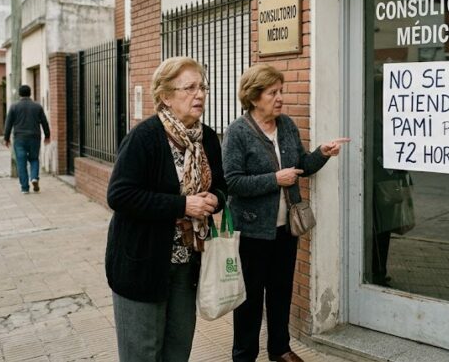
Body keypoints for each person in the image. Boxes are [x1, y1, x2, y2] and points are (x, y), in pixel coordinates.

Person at [223, 64, 349, 362]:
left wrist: (322, 153)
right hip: (252, 231)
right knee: (250, 299)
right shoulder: (237, 132)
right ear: (254, 97)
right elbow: (231, 181)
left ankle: (280, 349)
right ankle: (244, 356)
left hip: (285, 228)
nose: (280, 97)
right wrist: (274, 180)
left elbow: (301, 165)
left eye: (281, 91)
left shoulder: (287, 125)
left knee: (281, 292)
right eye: (273, 92)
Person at [106, 57, 226, 362]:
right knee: (142, 354)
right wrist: (183, 205)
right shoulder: (144, 137)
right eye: (189, 88)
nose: (199, 94)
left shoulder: (207, 138)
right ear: (165, 96)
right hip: (143, 264)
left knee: (177, 350)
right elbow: (120, 195)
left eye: (202, 87)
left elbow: (222, 186)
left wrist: (215, 199)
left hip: (187, 264)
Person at [4, 85, 51, 194]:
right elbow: (44, 122)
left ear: (19, 94)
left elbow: (8, 124)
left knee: (21, 162)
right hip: (34, 137)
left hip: (19, 138)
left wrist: (6, 138)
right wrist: (47, 135)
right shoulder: (37, 106)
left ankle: (25, 188)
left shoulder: (14, 107)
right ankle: (34, 177)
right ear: (30, 93)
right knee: (34, 159)